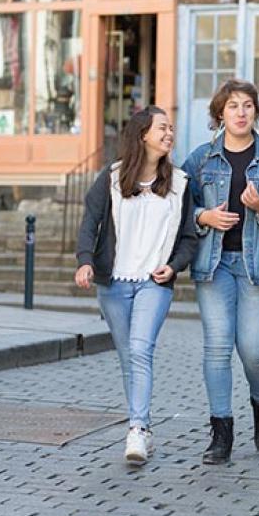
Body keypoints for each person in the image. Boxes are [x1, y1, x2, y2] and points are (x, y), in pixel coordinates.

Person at [75, 106, 197, 466]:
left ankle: (138, 428)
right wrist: (85, 260)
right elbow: (90, 221)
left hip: (153, 284)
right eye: (163, 128)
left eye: (172, 128)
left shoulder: (180, 183)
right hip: (113, 283)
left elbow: (189, 236)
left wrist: (174, 267)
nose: (169, 133)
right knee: (129, 357)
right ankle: (139, 424)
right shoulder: (111, 178)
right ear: (143, 134)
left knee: (141, 351)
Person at [182, 79, 259, 465]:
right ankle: (221, 433)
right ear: (219, 114)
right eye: (233, 106)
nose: (241, 112)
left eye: (247, 105)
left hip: (256, 266)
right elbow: (180, 212)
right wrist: (203, 215)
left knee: (255, 351)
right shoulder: (199, 160)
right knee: (216, 348)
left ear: (256, 112)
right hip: (214, 266)